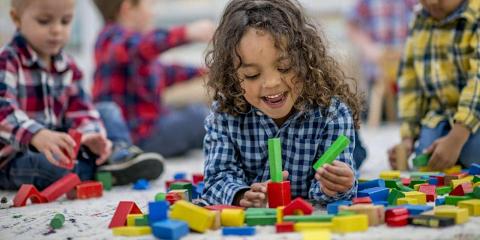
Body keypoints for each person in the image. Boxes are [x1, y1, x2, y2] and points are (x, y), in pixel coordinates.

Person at [201, 0, 362, 207]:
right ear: (232, 76)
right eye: (252, 75)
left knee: (356, 156)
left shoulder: (333, 113)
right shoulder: (224, 114)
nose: (271, 83)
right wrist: (242, 195)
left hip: (329, 125)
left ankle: (359, 147)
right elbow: (216, 178)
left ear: (305, 60)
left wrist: (337, 185)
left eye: (285, 67)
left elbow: (330, 194)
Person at [0, 0, 163, 190]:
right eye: (44, 21)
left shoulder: (69, 66)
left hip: (63, 145)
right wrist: (37, 134)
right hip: (15, 157)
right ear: (17, 19)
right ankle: (99, 169)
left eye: (65, 21)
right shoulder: (8, 60)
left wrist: (90, 134)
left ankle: (116, 155)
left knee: (107, 110)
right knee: (50, 167)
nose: (56, 30)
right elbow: (3, 110)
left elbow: (81, 109)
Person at [92, 0, 215, 158]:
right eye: (150, 5)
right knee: (200, 117)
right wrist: (187, 33)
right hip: (137, 137)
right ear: (128, 8)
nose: (153, 13)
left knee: (193, 111)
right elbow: (144, 45)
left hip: (151, 128)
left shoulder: (133, 50)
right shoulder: (111, 39)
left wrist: (207, 71)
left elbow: (166, 72)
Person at [388, 0, 480, 171]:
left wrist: (457, 137)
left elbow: (478, 81)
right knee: (426, 159)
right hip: (440, 115)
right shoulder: (418, 19)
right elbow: (411, 84)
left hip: (475, 117)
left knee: (472, 154)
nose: (432, 2)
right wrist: (407, 139)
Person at [347, 0, 417, 126]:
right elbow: (352, 25)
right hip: (376, 67)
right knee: (376, 101)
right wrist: (368, 48)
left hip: (406, 66)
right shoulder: (366, 2)